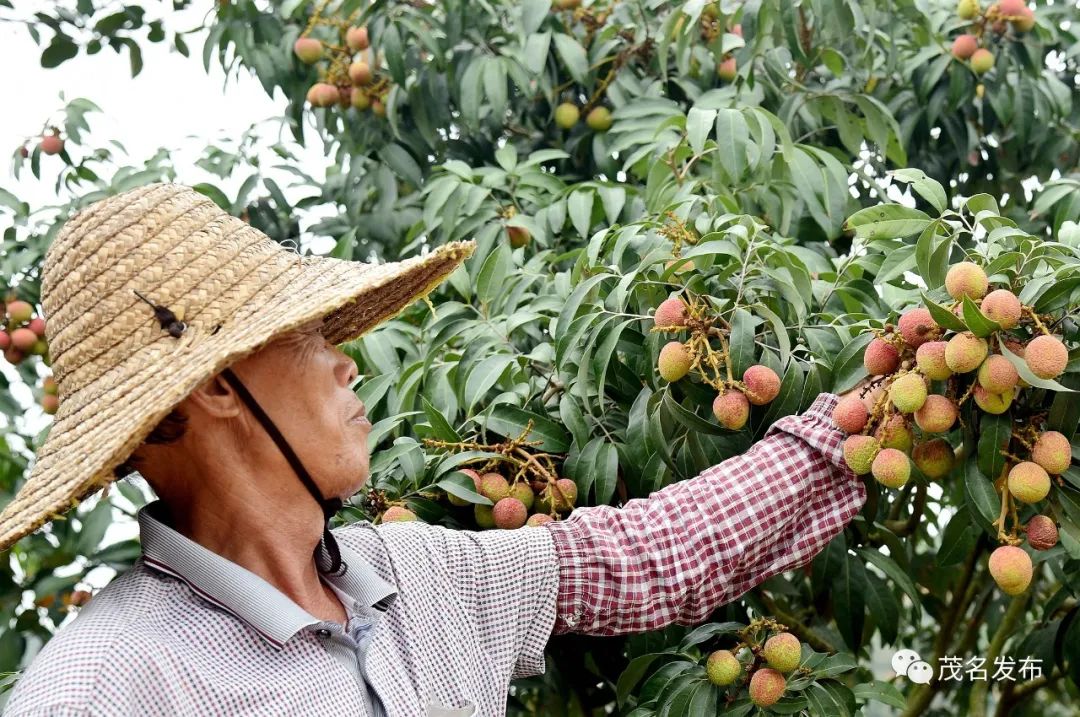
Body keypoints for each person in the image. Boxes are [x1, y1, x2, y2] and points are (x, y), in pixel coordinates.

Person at [0, 184, 870, 716]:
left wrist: (862, 422)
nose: (347, 360)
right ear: (219, 386)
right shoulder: (105, 690)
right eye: (305, 335)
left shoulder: (417, 577)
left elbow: (651, 555)